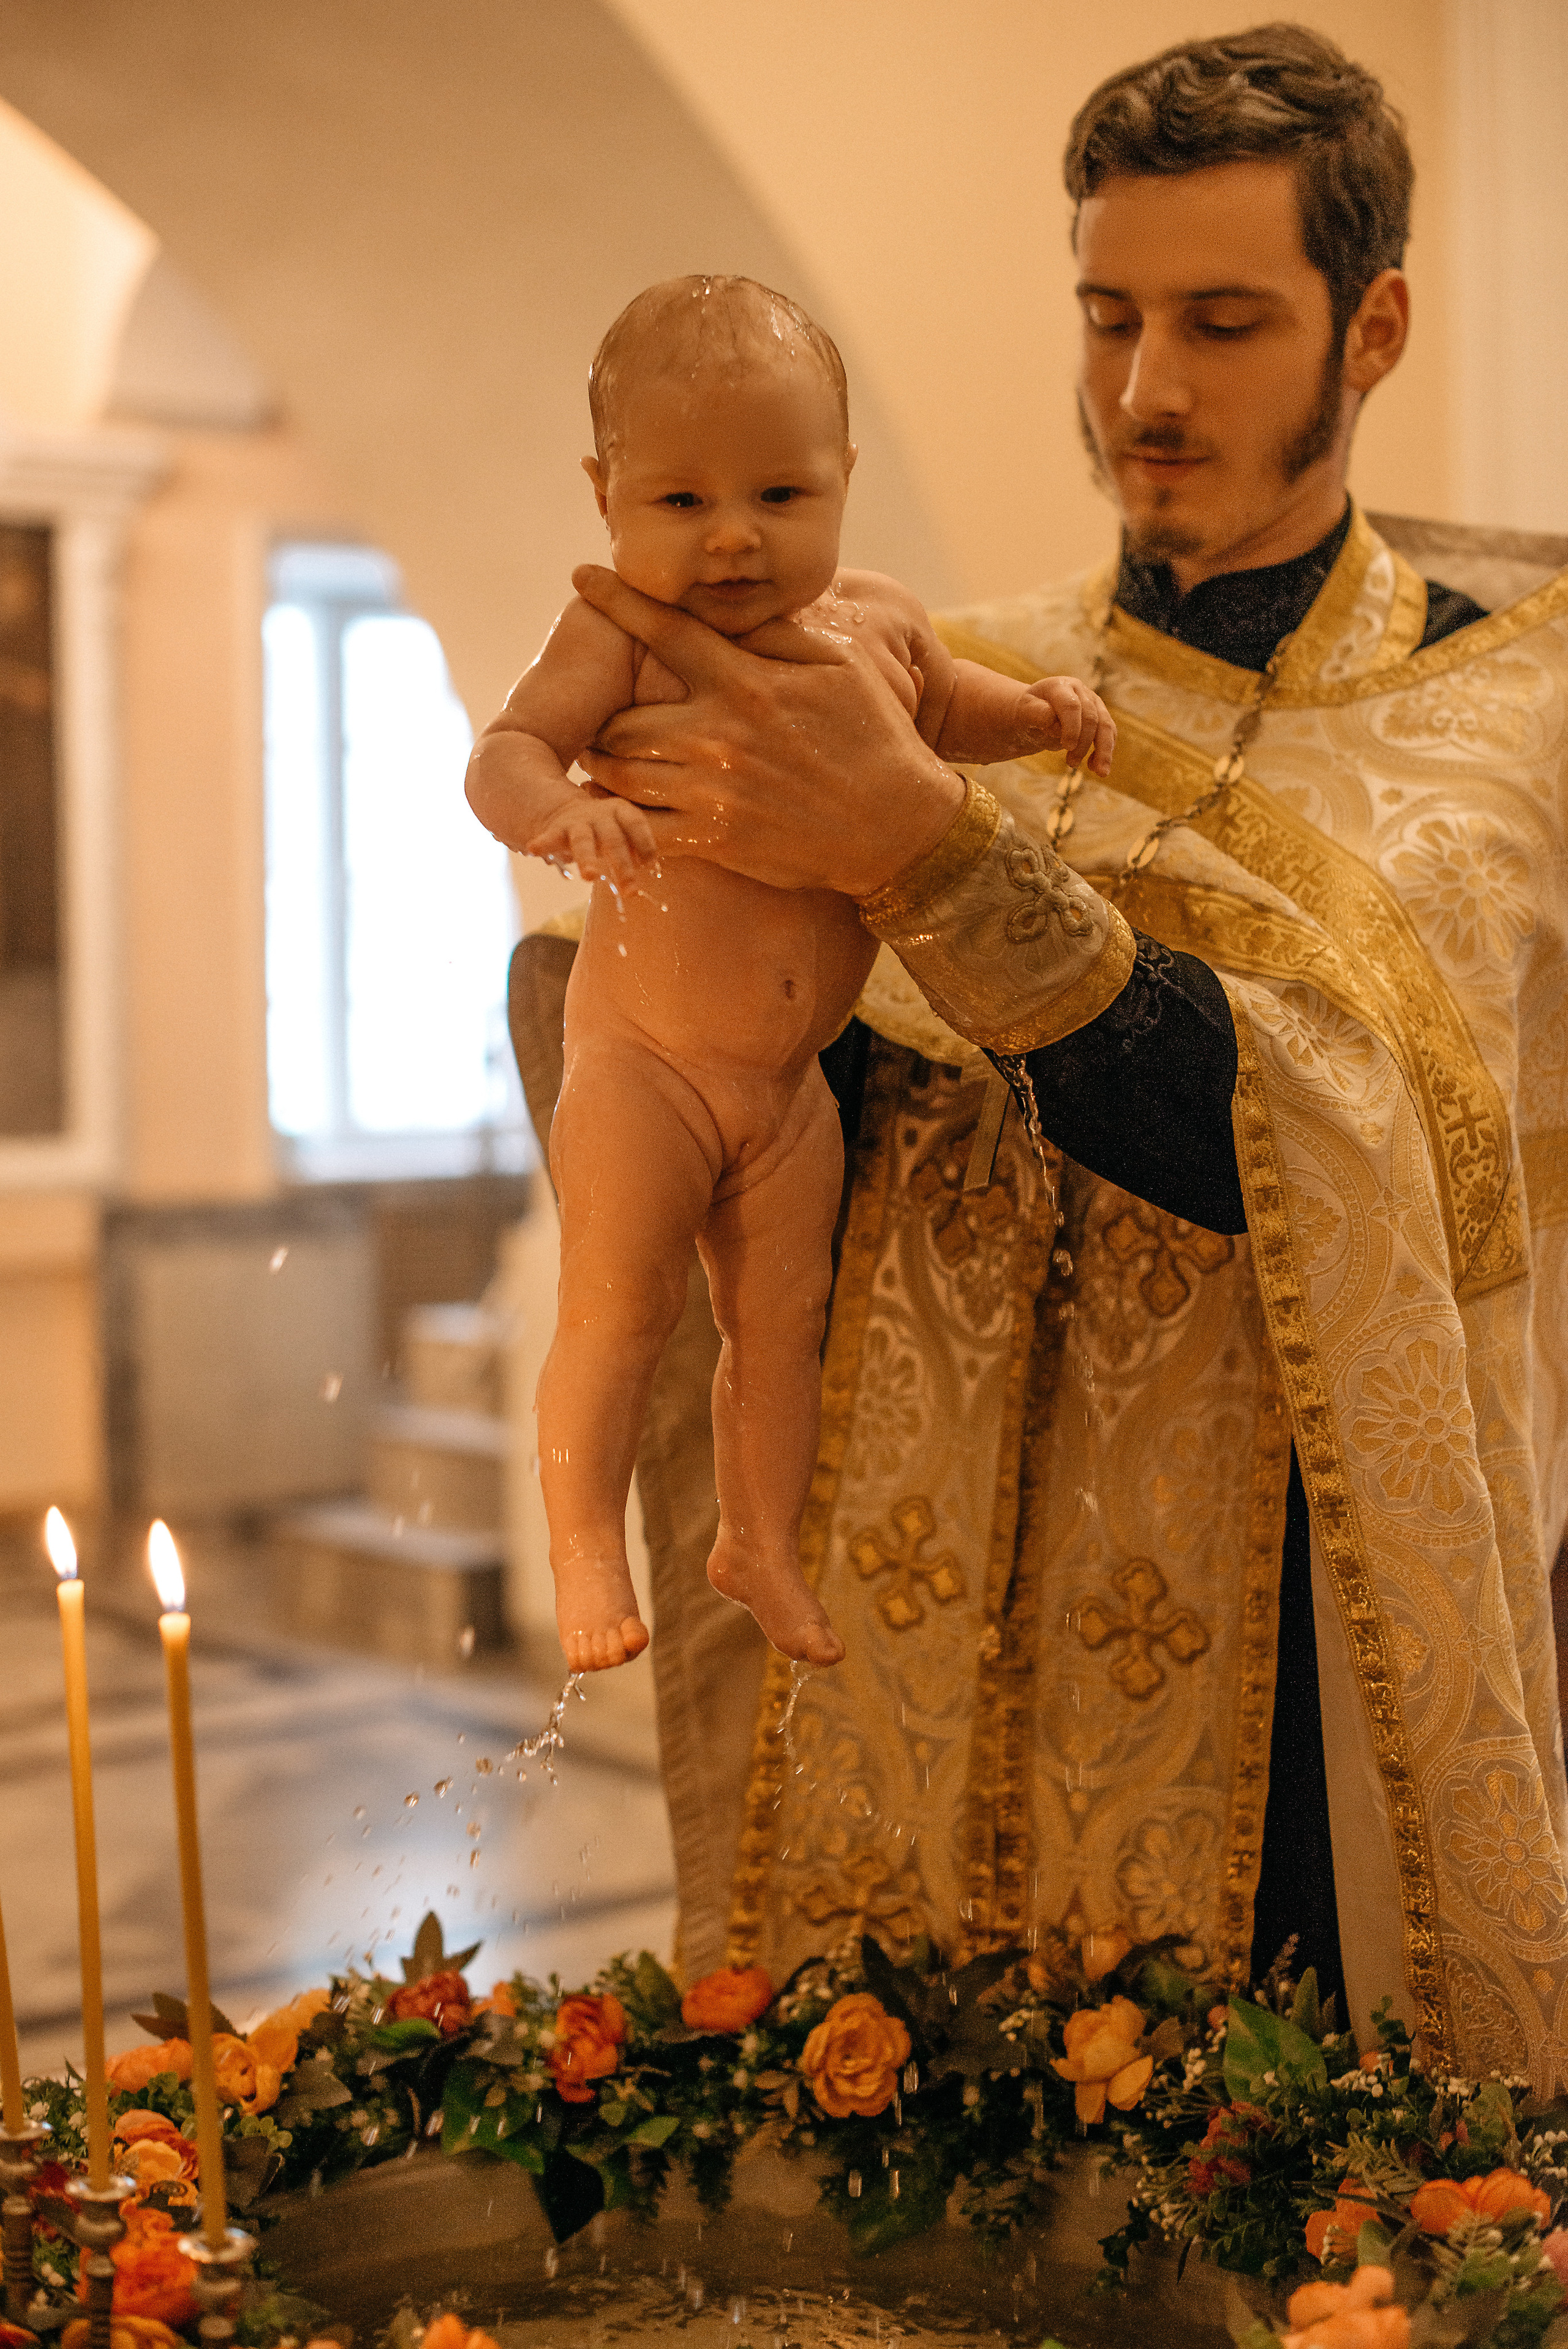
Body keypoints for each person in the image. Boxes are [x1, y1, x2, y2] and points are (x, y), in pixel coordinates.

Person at [514, 25, 1568, 2082]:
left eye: (1225, 322)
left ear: (1375, 329)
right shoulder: (955, 664)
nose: (1146, 392)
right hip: (914, 1667)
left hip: (1270, 1696)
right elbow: (633, 999)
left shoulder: (1505, 723)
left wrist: (920, 855)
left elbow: (1366, 1159)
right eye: (1109, 316)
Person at [469, 276, 1114, 1675]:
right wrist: (554, 811)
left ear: (841, 479)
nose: (732, 538)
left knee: (782, 1326)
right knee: (620, 1305)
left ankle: (757, 1540)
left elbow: (951, 713)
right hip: (642, 1063)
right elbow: (504, 752)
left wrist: (1042, 717)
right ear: (605, 495)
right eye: (680, 503)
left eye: (776, 492)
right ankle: (585, 1534)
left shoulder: (877, 622)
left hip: (785, 1088)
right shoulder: (620, 639)